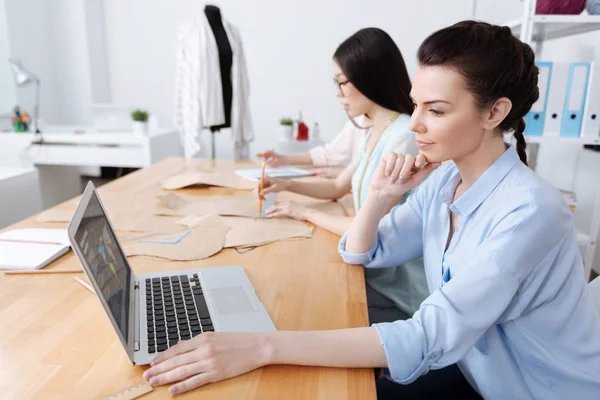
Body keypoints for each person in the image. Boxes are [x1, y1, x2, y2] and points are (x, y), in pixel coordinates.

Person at [142, 21, 600, 398]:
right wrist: (379, 195)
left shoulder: (529, 212)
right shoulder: (444, 178)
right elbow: (364, 251)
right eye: (417, 104)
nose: (415, 123)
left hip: (533, 389)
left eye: (436, 110)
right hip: (475, 369)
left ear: (495, 112)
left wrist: (261, 346)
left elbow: (427, 334)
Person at [259, 27, 429, 325]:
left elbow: (366, 228)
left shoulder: (403, 138)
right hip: (370, 272)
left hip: (396, 293)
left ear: (368, 78)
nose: (338, 94)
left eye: (342, 83)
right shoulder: (373, 129)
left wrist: (303, 212)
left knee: (296, 309)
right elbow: (338, 185)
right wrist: (286, 184)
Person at [256, 115, 368, 178]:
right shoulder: (358, 121)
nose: (339, 93)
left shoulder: (383, 131)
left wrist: (344, 174)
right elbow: (328, 154)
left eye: (343, 83)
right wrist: (282, 159)